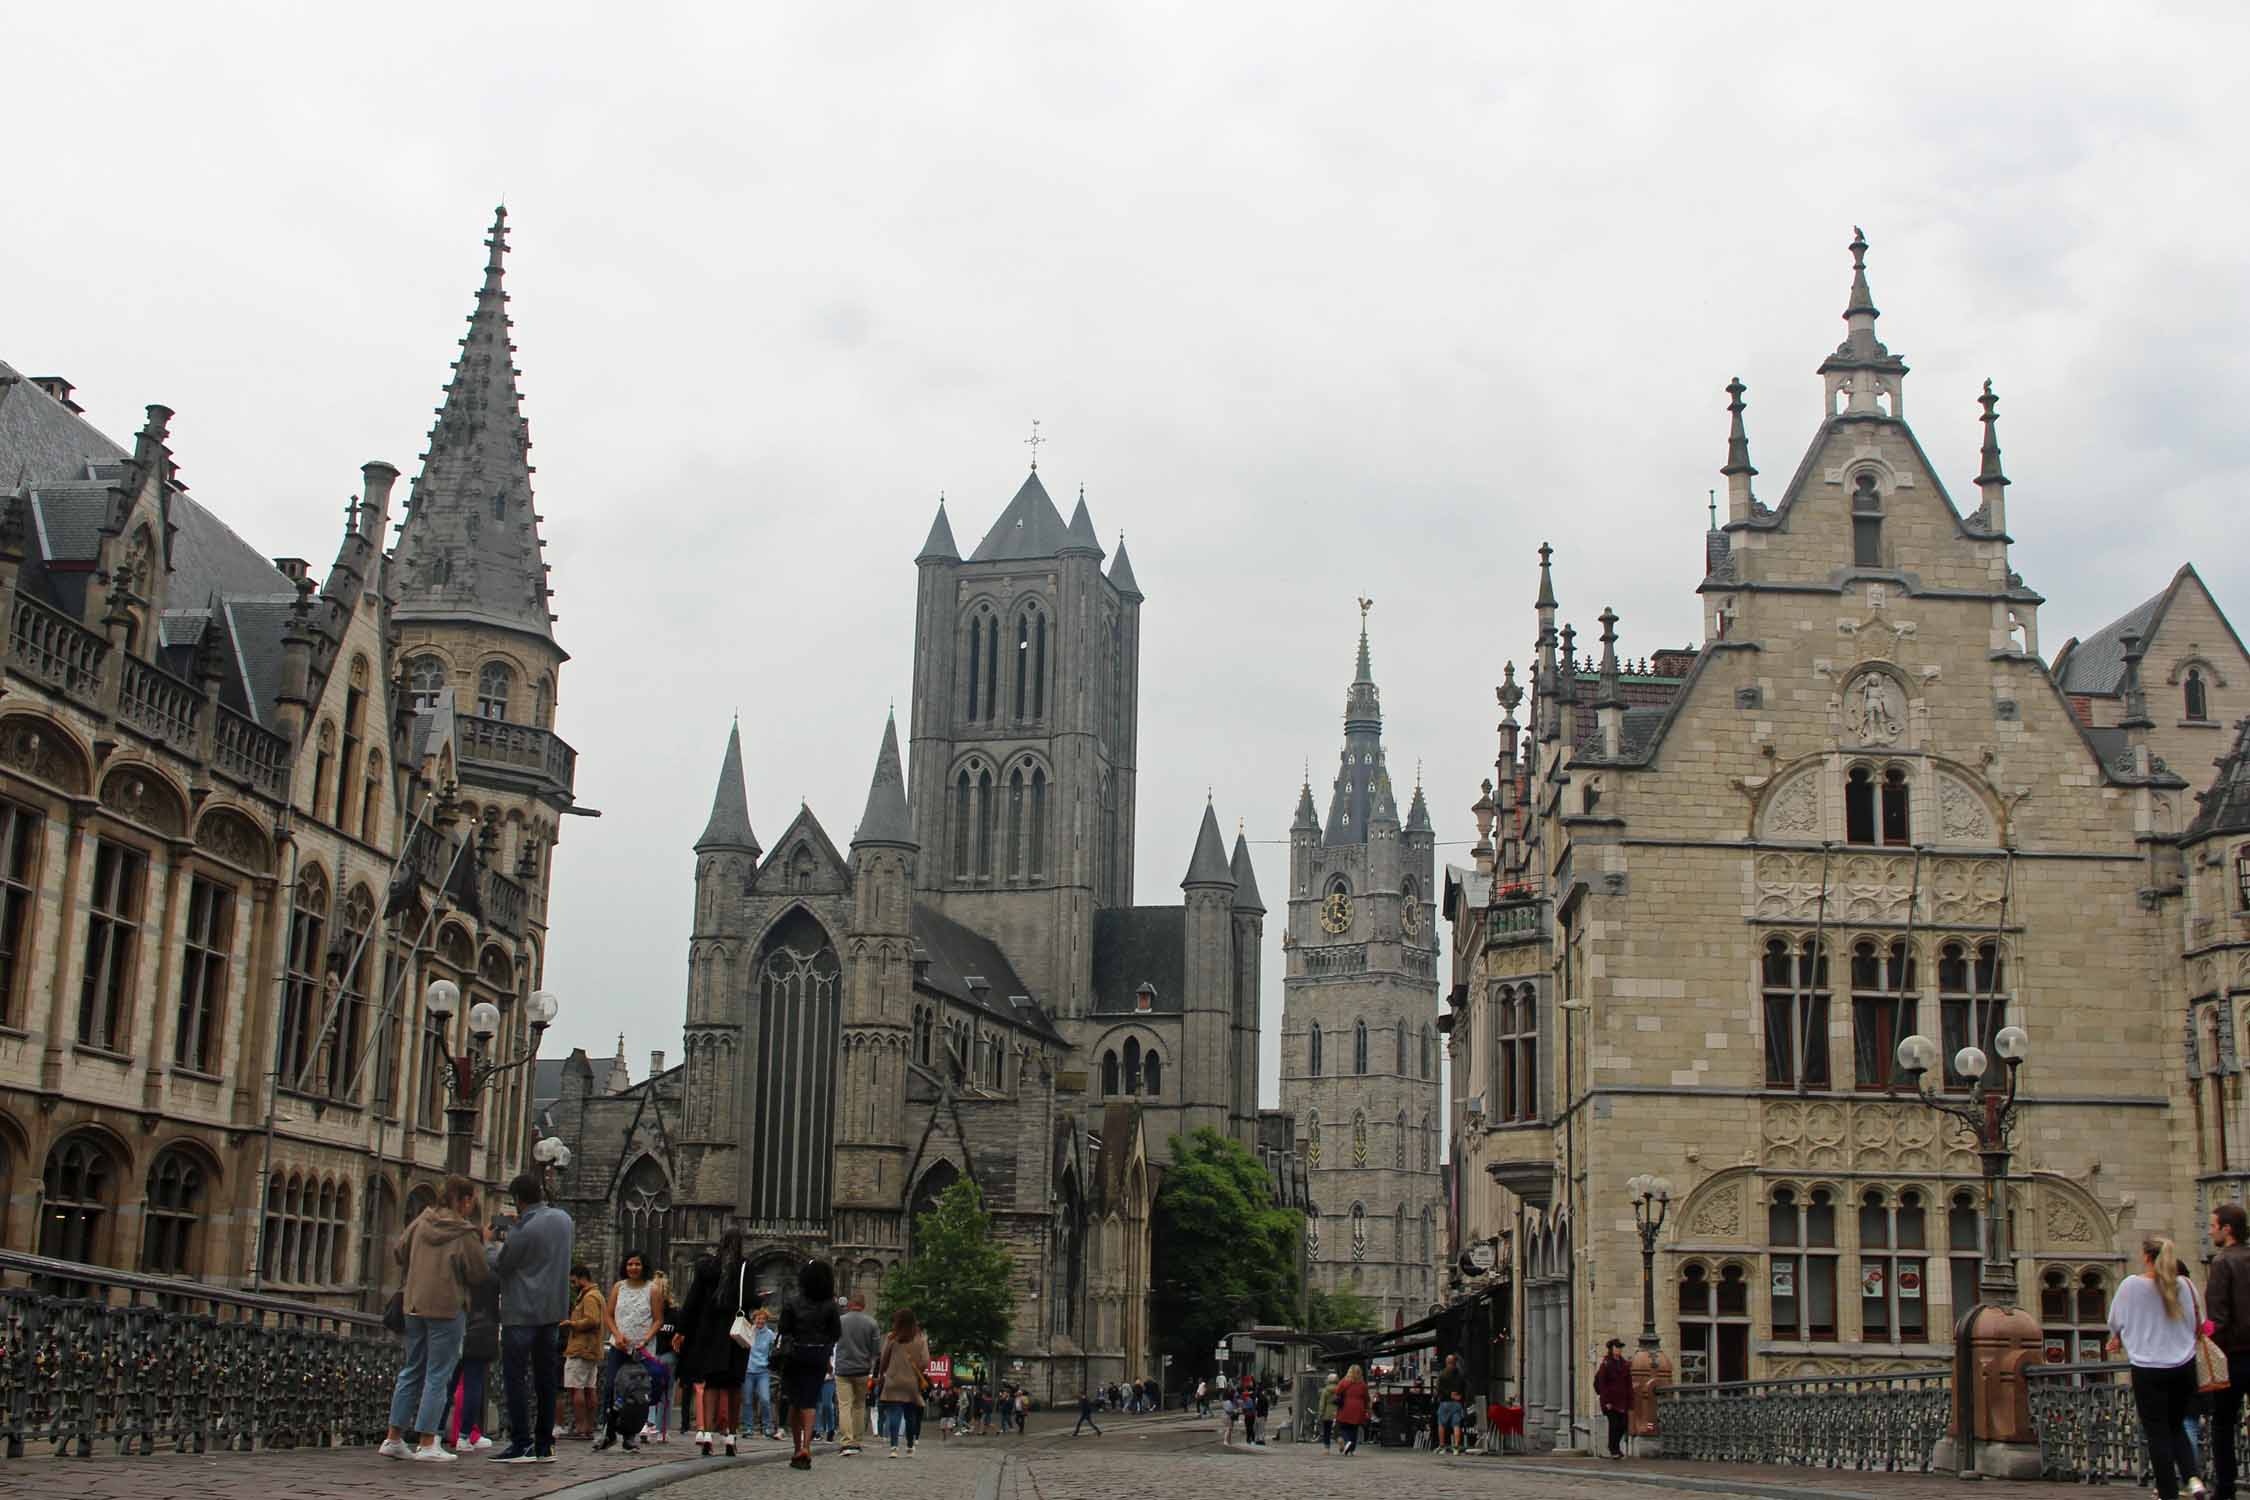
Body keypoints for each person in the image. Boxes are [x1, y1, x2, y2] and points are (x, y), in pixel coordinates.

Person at [381, 1175, 494, 1462]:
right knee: (438, 1374)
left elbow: (398, 1251)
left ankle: (393, 1438)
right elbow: (479, 1272)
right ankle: (428, 1440)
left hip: (414, 1303)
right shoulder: (464, 1232)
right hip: (446, 1307)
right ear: (465, 1200)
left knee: (411, 1369)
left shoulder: (422, 1221)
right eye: (470, 1202)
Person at [2107, 1235, 2209, 1500]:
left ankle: (2168, 1491)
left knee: (2157, 1432)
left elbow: (2115, 1320)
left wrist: (2118, 1336)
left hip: (2148, 1367)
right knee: (2176, 1426)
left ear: (2146, 1256)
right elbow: (2201, 1323)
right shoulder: (2186, 1284)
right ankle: (2193, 1478)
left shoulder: (2131, 1285)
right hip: (2183, 1366)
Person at [486, 1173, 571, 1464]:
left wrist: (489, 1243)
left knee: (515, 1377)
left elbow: (502, 1264)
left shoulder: (523, 1230)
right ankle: (544, 1444)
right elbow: (535, 1233)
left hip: (522, 1312)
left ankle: (521, 1442)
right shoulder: (563, 1220)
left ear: (519, 1200)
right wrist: (511, 1223)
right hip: (552, 1312)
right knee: (546, 1379)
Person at [675, 1226, 752, 1456]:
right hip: (734, 1335)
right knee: (733, 1384)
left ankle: (707, 1433)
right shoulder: (744, 1267)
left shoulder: (707, 1267)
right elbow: (750, 1299)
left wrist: (681, 1330)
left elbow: (692, 1300)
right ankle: (730, 1436)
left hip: (709, 1333)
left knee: (710, 1383)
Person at [594, 1250, 667, 1453]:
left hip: (641, 1349)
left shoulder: (652, 1290)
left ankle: (630, 1435)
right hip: (620, 1346)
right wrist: (616, 1335)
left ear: (644, 1267)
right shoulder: (619, 1287)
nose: (633, 1268)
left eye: (637, 1264)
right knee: (611, 1388)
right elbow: (608, 1315)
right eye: (630, 1264)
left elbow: (658, 1319)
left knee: (636, 1393)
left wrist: (645, 1338)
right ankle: (608, 1431)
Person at [778, 1259, 843, 1469]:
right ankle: (807, 1446)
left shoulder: (793, 1302)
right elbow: (836, 1333)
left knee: (795, 1402)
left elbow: (783, 1329)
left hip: (795, 1354)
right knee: (810, 1402)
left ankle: (797, 1447)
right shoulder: (830, 1306)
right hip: (818, 1355)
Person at [2208, 1202, 2250, 1500]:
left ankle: (2225, 1488)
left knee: (2223, 1425)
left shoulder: (2223, 1262)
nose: (2210, 1231)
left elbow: (2218, 1318)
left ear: (2227, 1229)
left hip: (2233, 1355)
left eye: (2214, 1226)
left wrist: (2206, 1339)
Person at [448, 1265, 500, 1451]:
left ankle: (434, 1435)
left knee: (447, 1383)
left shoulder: (458, 1270)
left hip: (456, 1326)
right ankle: (465, 1435)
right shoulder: (492, 1274)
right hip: (482, 1330)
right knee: (473, 1384)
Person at [875, 1306, 932, 1455]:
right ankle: (910, 1446)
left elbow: (884, 1358)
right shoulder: (920, 1338)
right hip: (911, 1382)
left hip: (893, 1380)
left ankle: (894, 1447)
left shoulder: (891, 1337)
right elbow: (926, 1361)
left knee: (894, 1414)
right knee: (910, 1415)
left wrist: (881, 1374)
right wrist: (917, 1370)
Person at [562, 1264, 605, 1440]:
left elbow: (592, 1320)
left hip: (581, 1348)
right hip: (592, 1348)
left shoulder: (589, 1297)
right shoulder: (597, 1295)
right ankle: (588, 1428)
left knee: (577, 1388)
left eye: (573, 1281)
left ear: (581, 1278)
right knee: (589, 1388)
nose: (572, 1285)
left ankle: (581, 1428)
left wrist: (572, 1324)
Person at [833, 1295, 879, 1455]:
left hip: (843, 1369)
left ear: (851, 1304)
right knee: (859, 1406)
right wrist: (873, 1372)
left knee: (844, 1405)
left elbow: (832, 1341)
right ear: (864, 1305)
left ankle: (846, 1440)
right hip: (862, 1370)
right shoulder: (872, 1323)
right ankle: (857, 1441)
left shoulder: (840, 1321)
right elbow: (875, 1351)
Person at [1594, 1339, 1633, 1460]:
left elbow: (1628, 1384)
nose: (1619, 1350)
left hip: (1622, 1400)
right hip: (1610, 1401)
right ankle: (1614, 1449)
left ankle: (1614, 1446)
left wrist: (1630, 1401)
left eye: (1620, 1347)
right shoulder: (1606, 1364)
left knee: (1623, 1425)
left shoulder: (1625, 1364)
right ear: (1611, 1349)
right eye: (1617, 1347)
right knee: (1614, 1425)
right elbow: (1601, 1384)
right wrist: (1606, 1402)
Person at [1334, 1362, 1370, 1457]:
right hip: (1358, 1409)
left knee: (1343, 1428)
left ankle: (1346, 1440)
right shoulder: (1363, 1385)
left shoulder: (1344, 1382)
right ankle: (1351, 1449)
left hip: (1345, 1407)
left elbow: (1337, 1391)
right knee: (1354, 1429)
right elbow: (1367, 1398)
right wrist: (1367, 1409)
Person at [1318, 1375, 1339, 1452]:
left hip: (1327, 1413)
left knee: (1327, 1431)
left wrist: (1320, 1413)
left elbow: (1322, 1403)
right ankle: (1339, 1440)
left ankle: (1327, 1448)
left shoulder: (1325, 1390)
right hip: (1338, 1412)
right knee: (1338, 1429)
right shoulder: (1340, 1389)